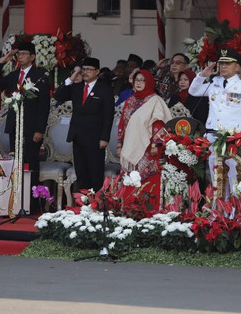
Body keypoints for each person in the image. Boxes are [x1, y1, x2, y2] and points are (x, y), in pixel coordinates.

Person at [189, 48, 241, 194]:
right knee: (216, 173)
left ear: (237, 66)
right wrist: (202, 75)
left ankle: (234, 210)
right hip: (213, 134)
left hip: (232, 136)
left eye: (227, 63)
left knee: (234, 173)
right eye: (221, 63)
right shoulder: (215, 82)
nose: (223, 67)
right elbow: (193, 91)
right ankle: (219, 208)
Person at [0, 42, 50, 191]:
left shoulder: (39, 76)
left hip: (31, 128)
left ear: (32, 57)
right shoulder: (14, 75)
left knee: (30, 163)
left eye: (23, 54)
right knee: (15, 162)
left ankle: (32, 198)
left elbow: (44, 106)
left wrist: (39, 130)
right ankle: (16, 197)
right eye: (18, 54)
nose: (20, 57)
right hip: (14, 125)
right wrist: (2, 62)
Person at [54, 57, 114, 192]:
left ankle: (96, 204)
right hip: (78, 135)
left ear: (97, 71)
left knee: (95, 172)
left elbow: (108, 115)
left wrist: (104, 137)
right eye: (83, 69)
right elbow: (58, 95)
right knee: (81, 172)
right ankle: (82, 203)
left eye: (89, 69)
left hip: (95, 137)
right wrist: (72, 77)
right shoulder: (77, 86)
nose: (85, 72)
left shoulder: (104, 88)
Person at [118, 70, 172, 207]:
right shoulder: (130, 101)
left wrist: (155, 144)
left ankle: (148, 210)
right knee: (130, 178)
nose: (139, 83)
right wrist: (119, 144)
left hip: (149, 149)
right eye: (136, 80)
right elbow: (122, 124)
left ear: (148, 82)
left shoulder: (155, 101)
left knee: (147, 179)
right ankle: (129, 207)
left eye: (142, 80)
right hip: (130, 146)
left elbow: (159, 123)